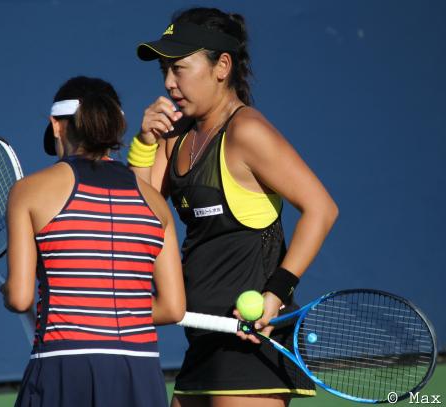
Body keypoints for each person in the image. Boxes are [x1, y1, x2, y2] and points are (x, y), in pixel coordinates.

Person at [129, 7, 339, 407]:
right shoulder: (174, 136)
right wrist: (143, 143)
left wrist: (276, 294)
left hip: (253, 345)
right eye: (164, 71)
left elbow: (321, 209)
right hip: (202, 339)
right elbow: (140, 215)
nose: (170, 83)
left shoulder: (247, 131)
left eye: (180, 68)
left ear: (221, 65)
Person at [1, 75, 186, 407]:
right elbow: (173, 308)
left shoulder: (28, 191)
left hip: (64, 364)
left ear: (57, 126)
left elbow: (19, 297)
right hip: (140, 372)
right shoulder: (156, 203)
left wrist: (10, 292)